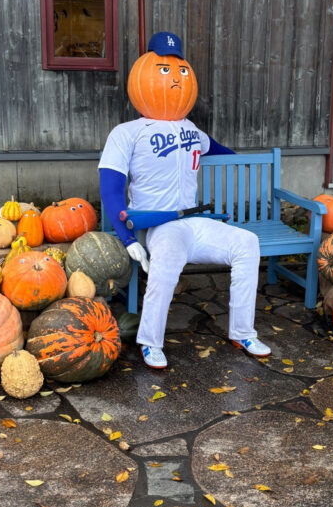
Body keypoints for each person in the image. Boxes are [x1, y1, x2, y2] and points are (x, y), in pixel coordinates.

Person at [98, 31, 271, 370]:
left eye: (182, 71)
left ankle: (242, 331)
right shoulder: (127, 133)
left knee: (247, 242)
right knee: (168, 255)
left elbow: (219, 150)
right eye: (165, 70)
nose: (176, 79)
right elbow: (111, 189)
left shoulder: (191, 128)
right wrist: (129, 238)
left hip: (194, 221)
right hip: (160, 224)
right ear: (144, 75)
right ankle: (150, 341)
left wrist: (245, 160)